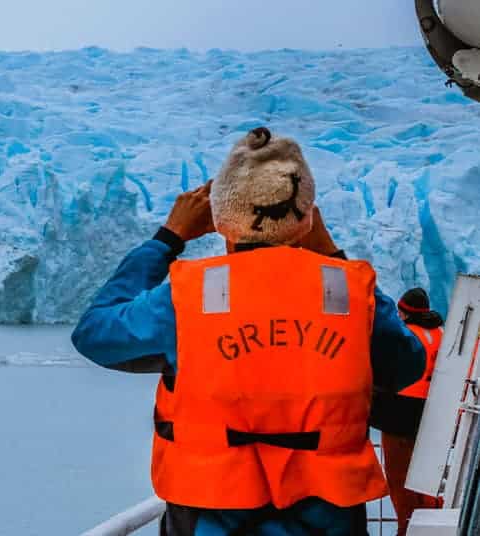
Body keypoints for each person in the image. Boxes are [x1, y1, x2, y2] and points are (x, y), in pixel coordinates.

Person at [71, 127, 427, 536]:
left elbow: (95, 333)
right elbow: (407, 365)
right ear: (307, 217)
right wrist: (330, 252)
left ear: (221, 221)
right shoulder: (346, 294)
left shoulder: (188, 298)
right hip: (328, 518)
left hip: (210, 513)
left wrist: (167, 238)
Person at [370, 288, 445, 536]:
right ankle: (431, 525)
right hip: (431, 414)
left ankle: (407, 528)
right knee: (427, 477)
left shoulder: (406, 337)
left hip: (398, 414)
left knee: (399, 477)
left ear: (403, 312)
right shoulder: (441, 333)